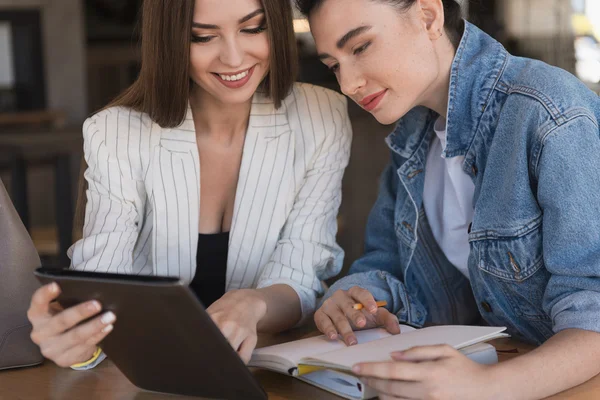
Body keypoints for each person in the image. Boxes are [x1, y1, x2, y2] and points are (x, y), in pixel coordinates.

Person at [296, 0, 600, 398]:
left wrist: (486, 386)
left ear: (428, 16)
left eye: (360, 47)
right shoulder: (413, 134)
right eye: (334, 64)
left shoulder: (549, 113)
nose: (348, 83)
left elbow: (593, 310)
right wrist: (352, 299)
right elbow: (389, 263)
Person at [27, 0, 352, 370]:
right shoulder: (115, 132)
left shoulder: (322, 117)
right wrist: (77, 342)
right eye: (202, 36)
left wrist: (253, 303)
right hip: (148, 375)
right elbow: (101, 284)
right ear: (170, 41)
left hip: (264, 374)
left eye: (253, 28)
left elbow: (302, 269)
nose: (233, 58)